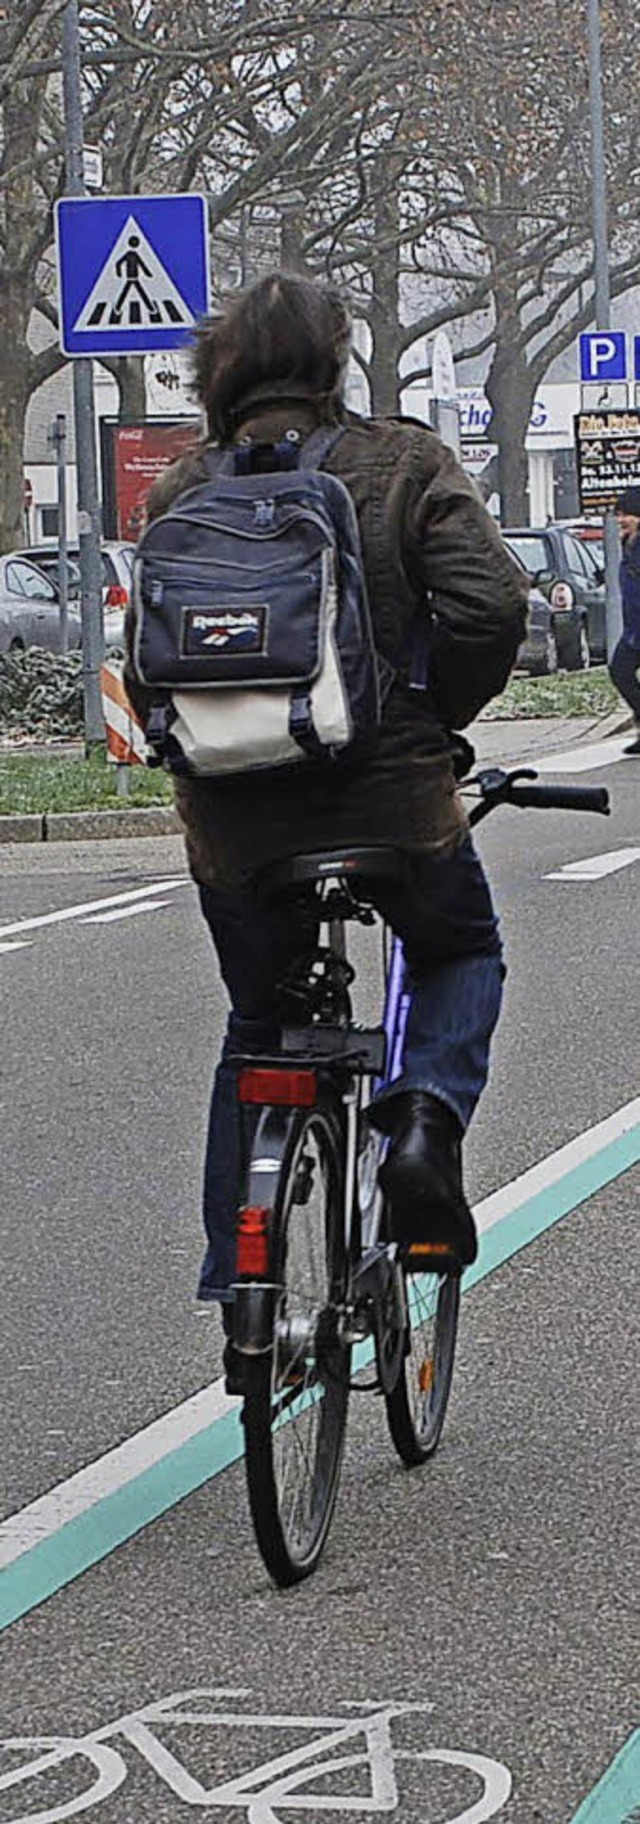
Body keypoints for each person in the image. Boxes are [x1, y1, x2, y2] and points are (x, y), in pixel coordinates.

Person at [124, 273, 528, 1346]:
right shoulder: (400, 463)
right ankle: (422, 1123)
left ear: (219, 374)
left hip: (236, 824)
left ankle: (242, 1292)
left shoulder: (182, 492)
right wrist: (435, 718)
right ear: (334, 359)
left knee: (259, 1024)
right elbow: (491, 603)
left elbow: (148, 664)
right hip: (391, 797)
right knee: (458, 952)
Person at [608, 486, 640, 754]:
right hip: (634, 629)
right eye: (619, 515)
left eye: (626, 514)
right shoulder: (629, 543)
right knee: (620, 670)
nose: (621, 520)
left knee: (621, 670)